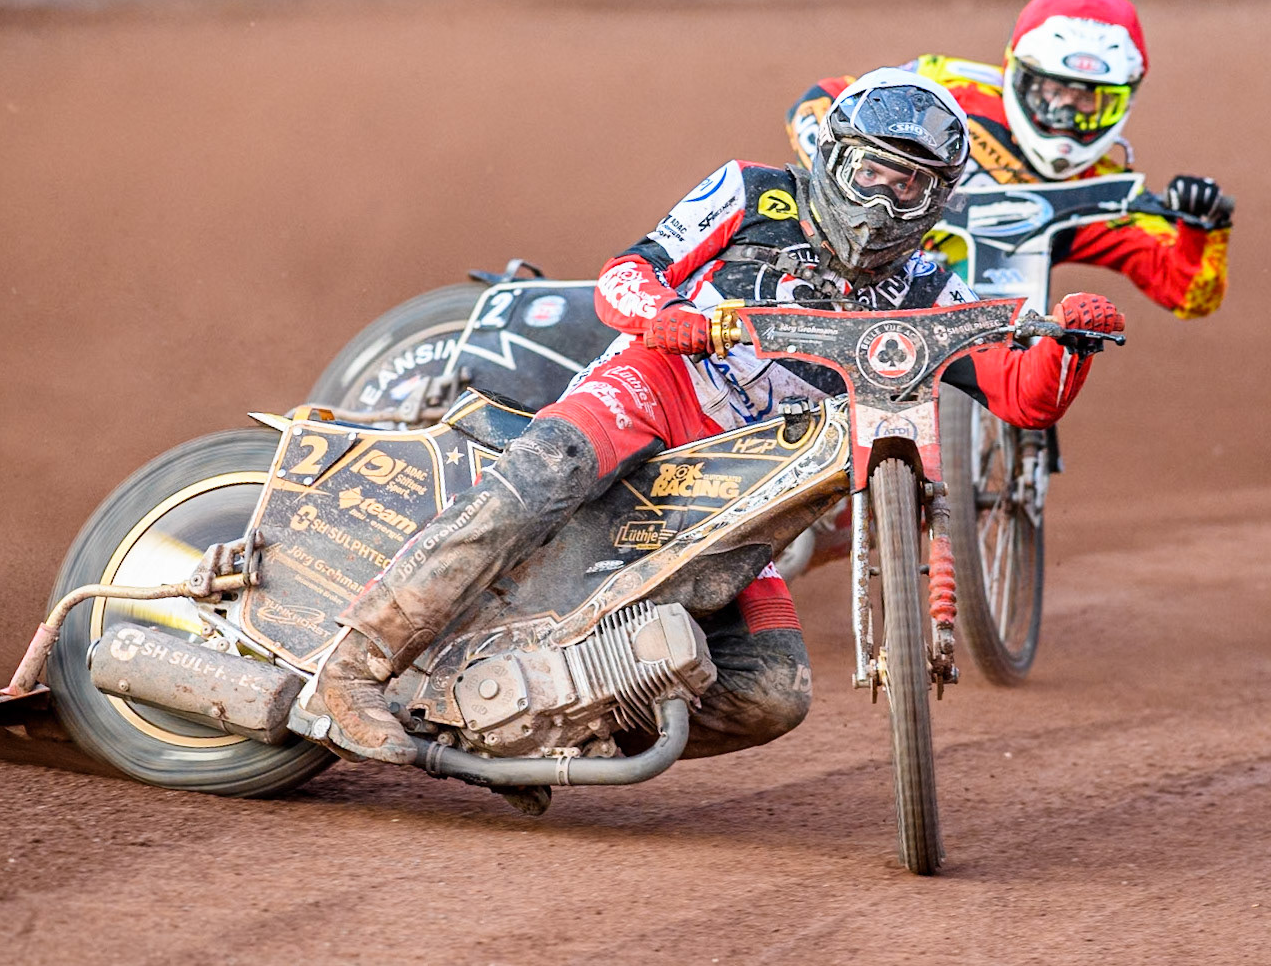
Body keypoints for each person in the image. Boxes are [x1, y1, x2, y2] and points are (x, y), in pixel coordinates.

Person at [308, 69, 1126, 764]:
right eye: (875, 170)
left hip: (753, 486)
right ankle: (353, 666)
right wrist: (671, 316)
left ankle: (558, 725)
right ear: (836, 159)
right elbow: (626, 274)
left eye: (911, 183)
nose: (887, 196)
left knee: (774, 694)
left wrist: (1072, 343)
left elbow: (1021, 395)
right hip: (658, 396)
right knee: (543, 470)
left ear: (937, 197)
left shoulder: (929, 285)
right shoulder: (751, 191)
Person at [786, 0, 1233, 321]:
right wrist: (840, 185)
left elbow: (1189, 292)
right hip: (881, 268)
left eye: (1089, 101)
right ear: (1015, 73)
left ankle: (1032, 447)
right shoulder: (953, 88)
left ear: (1124, 101)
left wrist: (1205, 225)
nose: (1065, 114)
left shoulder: (1103, 191)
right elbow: (820, 102)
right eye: (1049, 92)